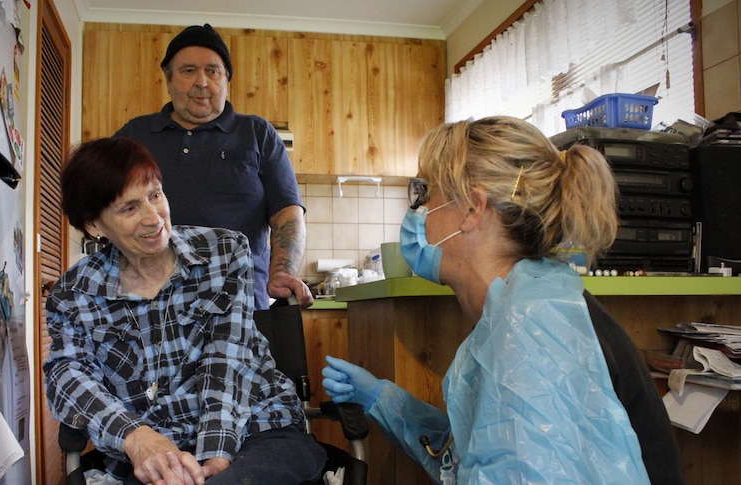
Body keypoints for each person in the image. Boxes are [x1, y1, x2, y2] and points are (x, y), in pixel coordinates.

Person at [321, 117, 684, 484]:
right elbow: (484, 453)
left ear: (472, 209)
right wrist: (385, 400)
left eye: (424, 193)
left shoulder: (531, 331)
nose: (417, 210)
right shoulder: (526, 304)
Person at [43, 137, 326, 485]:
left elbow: (228, 359)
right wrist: (137, 437)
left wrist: (215, 454)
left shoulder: (223, 251)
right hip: (158, 450)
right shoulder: (73, 293)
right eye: (129, 209)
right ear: (93, 225)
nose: (153, 218)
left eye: (155, 195)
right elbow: (68, 377)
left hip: (258, 428)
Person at [114, 23, 312, 311]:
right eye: (188, 70)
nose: (202, 82)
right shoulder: (134, 136)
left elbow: (287, 213)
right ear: (168, 80)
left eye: (213, 71)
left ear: (226, 80)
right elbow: (100, 202)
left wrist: (283, 270)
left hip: (240, 304)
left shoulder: (258, 134)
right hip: (151, 307)